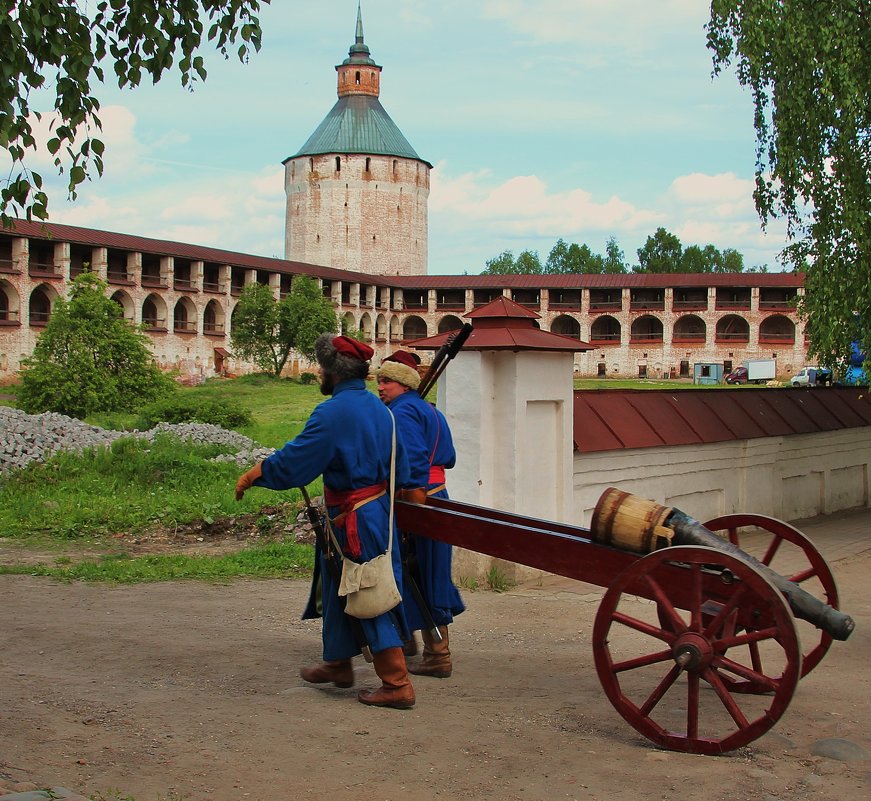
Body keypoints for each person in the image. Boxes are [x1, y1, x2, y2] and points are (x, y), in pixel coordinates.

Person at [235, 334, 416, 709]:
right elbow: (406, 465)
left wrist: (257, 473)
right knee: (337, 581)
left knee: (367, 590)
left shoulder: (333, 413)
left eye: (320, 367)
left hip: (356, 516)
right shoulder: (381, 409)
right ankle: (337, 662)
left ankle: (397, 683)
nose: (318, 372)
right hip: (375, 511)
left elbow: (298, 459)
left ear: (332, 372)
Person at [376, 350, 465, 678]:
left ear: (403, 383)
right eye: (379, 380)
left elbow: (411, 459)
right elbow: (449, 456)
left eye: (386, 381)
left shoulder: (401, 412)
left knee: (417, 574)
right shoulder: (429, 410)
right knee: (424, 572)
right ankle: (410, 643)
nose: (380, 387)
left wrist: (410, 501)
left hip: (417, 500)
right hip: (437, 495)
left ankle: (437, 655)